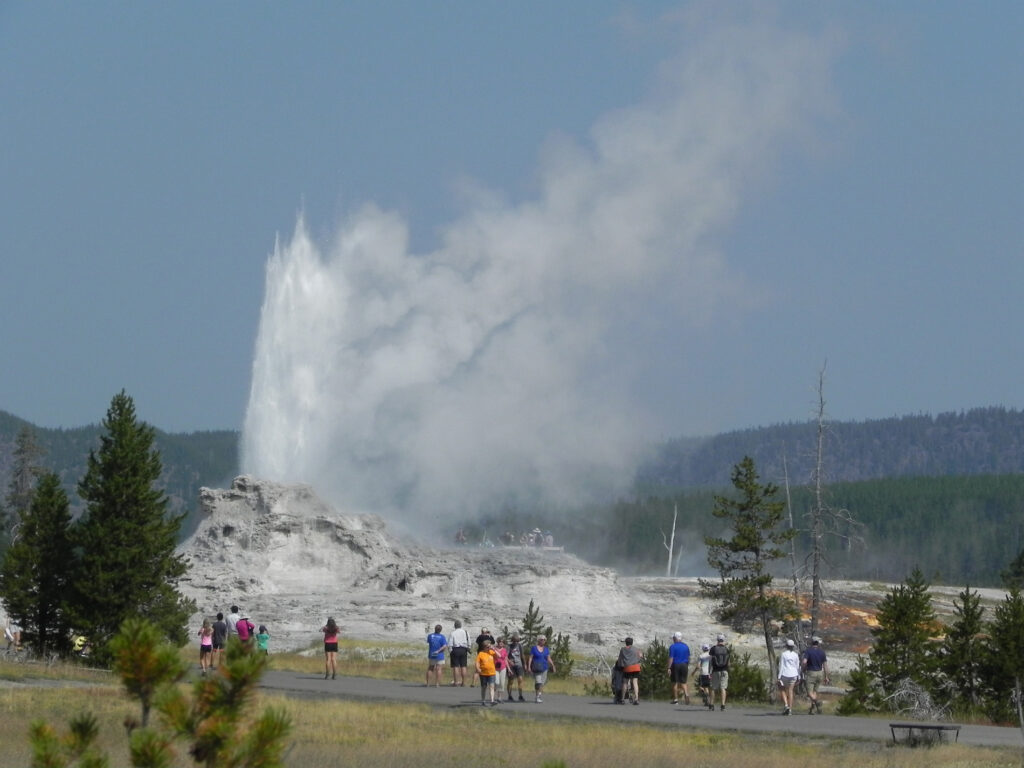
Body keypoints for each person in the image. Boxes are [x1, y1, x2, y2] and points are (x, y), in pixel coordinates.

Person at [802, 636, 830, 714]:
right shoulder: (822, 652)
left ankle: (817, 702)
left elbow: (804, 662)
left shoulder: (808, 651)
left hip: (811, 672)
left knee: (809, 692)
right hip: (820, 673)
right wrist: (826, 676)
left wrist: (803, 669)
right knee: (814, 692)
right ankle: (812, 710)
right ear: (818, 643)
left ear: (812, 642)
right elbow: (825, 665)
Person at [528, 635, 556, 703]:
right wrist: (528, 666)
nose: (543, 641)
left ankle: (539, 695)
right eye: (541, 639)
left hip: (544, 668)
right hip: (536, 667)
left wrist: (553, 665)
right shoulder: (534, 648)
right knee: (538, 682)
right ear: (538, 640)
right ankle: (537, 697)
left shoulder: (546, 649)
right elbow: (531, 657)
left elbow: (548, 658)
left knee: (542, 683)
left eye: (544, 640)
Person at [617, 637, 643, 705]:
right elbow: (640, 656)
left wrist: (620, 666)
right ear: (632, 642)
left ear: (626, 642)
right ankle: (636, 698)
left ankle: (622, 699)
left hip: (627, 667)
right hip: (636, 667)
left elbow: (620, 659)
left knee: (625, 682)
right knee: (635, 682)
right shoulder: (636, 649)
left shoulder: (623, 650)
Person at [777, 638, 801, 715]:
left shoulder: (783, 654)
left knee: (782, 688)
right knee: (791, 691)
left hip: (785, 674)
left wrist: (779, 676)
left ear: (786, 646)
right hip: (793, 674)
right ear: (793, 646)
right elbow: (797, 666)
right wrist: (799, 676)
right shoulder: (795, 655)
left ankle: (786, 705)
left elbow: (781, 665)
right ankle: (790, 709)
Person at [667, 631, 691, 705]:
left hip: (676, 664)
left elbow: (671, 658)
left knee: (674, 682)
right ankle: (686, 694)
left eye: (673, 638)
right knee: (684, 682)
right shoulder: (686, 646)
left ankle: (676, 699)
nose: (673, 639)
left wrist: (669, 668)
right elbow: (688, 657)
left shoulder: (673, 646)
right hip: (684, 664)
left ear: (675, 638)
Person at [709, 634, 730, 711]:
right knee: (723, 688)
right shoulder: (726, 649)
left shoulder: (713, 649)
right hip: (724, 670)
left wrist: (709, 671)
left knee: (713, 688)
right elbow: (728, 662)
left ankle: (711, 705)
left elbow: (710, 661)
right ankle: (723, 705)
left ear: (717, 640)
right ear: (723, 640)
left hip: (715, 670)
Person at [476, 638, 499, 706]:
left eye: (489, 646)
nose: (489, 648)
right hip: (483, 673)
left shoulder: (491, 652)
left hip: (491, 673)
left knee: (492, 686)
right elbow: (477, 662)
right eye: (487, 647)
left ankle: (492, 700)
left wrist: (494, 649)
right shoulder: (481, 653)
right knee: (484, 687)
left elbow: (498, 656)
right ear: (484, 647)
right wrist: (478, 668)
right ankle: (483, 700)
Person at [448, 620, 470, 686]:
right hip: (463, 649)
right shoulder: (465, 632)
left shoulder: (453, 633)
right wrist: (468, 647)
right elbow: (469, 641)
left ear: (455, 626)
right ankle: (464, 682)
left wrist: (450, 651)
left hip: (455, 649)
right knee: (463, 666)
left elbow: (450, 643)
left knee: (455, 666)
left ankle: (456, 682)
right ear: (461, 625)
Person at [506, 634, 527, 702]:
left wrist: (524, 664)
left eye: (517, 641)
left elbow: (522, 655)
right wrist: (509, 661)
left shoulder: (520, 646)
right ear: (512, 641)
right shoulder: (509, 647)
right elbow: (505, 656)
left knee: (520, 679)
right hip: (511, 665)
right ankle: (509, 695)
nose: (516, 642)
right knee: (511, 680)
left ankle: (520, 695)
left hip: (519, 664)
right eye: (514, 641)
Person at [696, 643, 712, 707]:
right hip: (709, 673)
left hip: (703, 673)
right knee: (707, 687)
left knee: (701, 686)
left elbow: (698, 666)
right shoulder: (711, 656)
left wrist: (698, 669)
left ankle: (704, 696)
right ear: (708, 649)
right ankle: (708, 700)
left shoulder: (701, 656)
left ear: (703, 649)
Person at [494, 637, 509, 701]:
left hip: (503, 668)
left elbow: (506, 660)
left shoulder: (504, 650)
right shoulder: (494, 649)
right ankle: (493, 695)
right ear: (498, 642)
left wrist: (509, 669)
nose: (501, 643)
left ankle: (499, 697)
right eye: (500, 641)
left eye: (503, 642)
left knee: (502, 683)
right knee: (496, 682)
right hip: (495, 668)